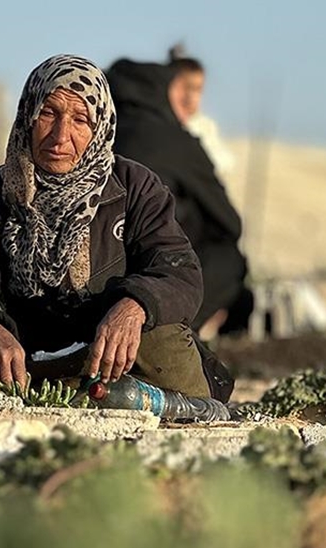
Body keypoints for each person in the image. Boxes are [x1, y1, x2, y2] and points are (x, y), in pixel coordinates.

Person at [0, 54, 230, 403]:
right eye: (48, 114)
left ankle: (82, 395)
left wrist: (133, 307)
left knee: (164, 347)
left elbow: (179, 271)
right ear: (28, 116)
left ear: (100, 128)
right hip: (22, 365)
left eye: (80, 119)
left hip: (108, 359)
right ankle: (80, 397)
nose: (60, 136)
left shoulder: (136, 188)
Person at [107, 55, 253, 338]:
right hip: (153, 273)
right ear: (161, 93)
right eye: (180, 90)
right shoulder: (175, 141)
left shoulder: (100, 133)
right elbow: (230, 223)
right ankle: (174, 333)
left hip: (100, 271)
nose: (188, 101)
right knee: (228, 258)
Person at [166, 46, 236, 179]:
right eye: (185, 88)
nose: (190, 96)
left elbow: (223, 162)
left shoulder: (204, 126)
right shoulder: (158, 123)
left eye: (197, 89)